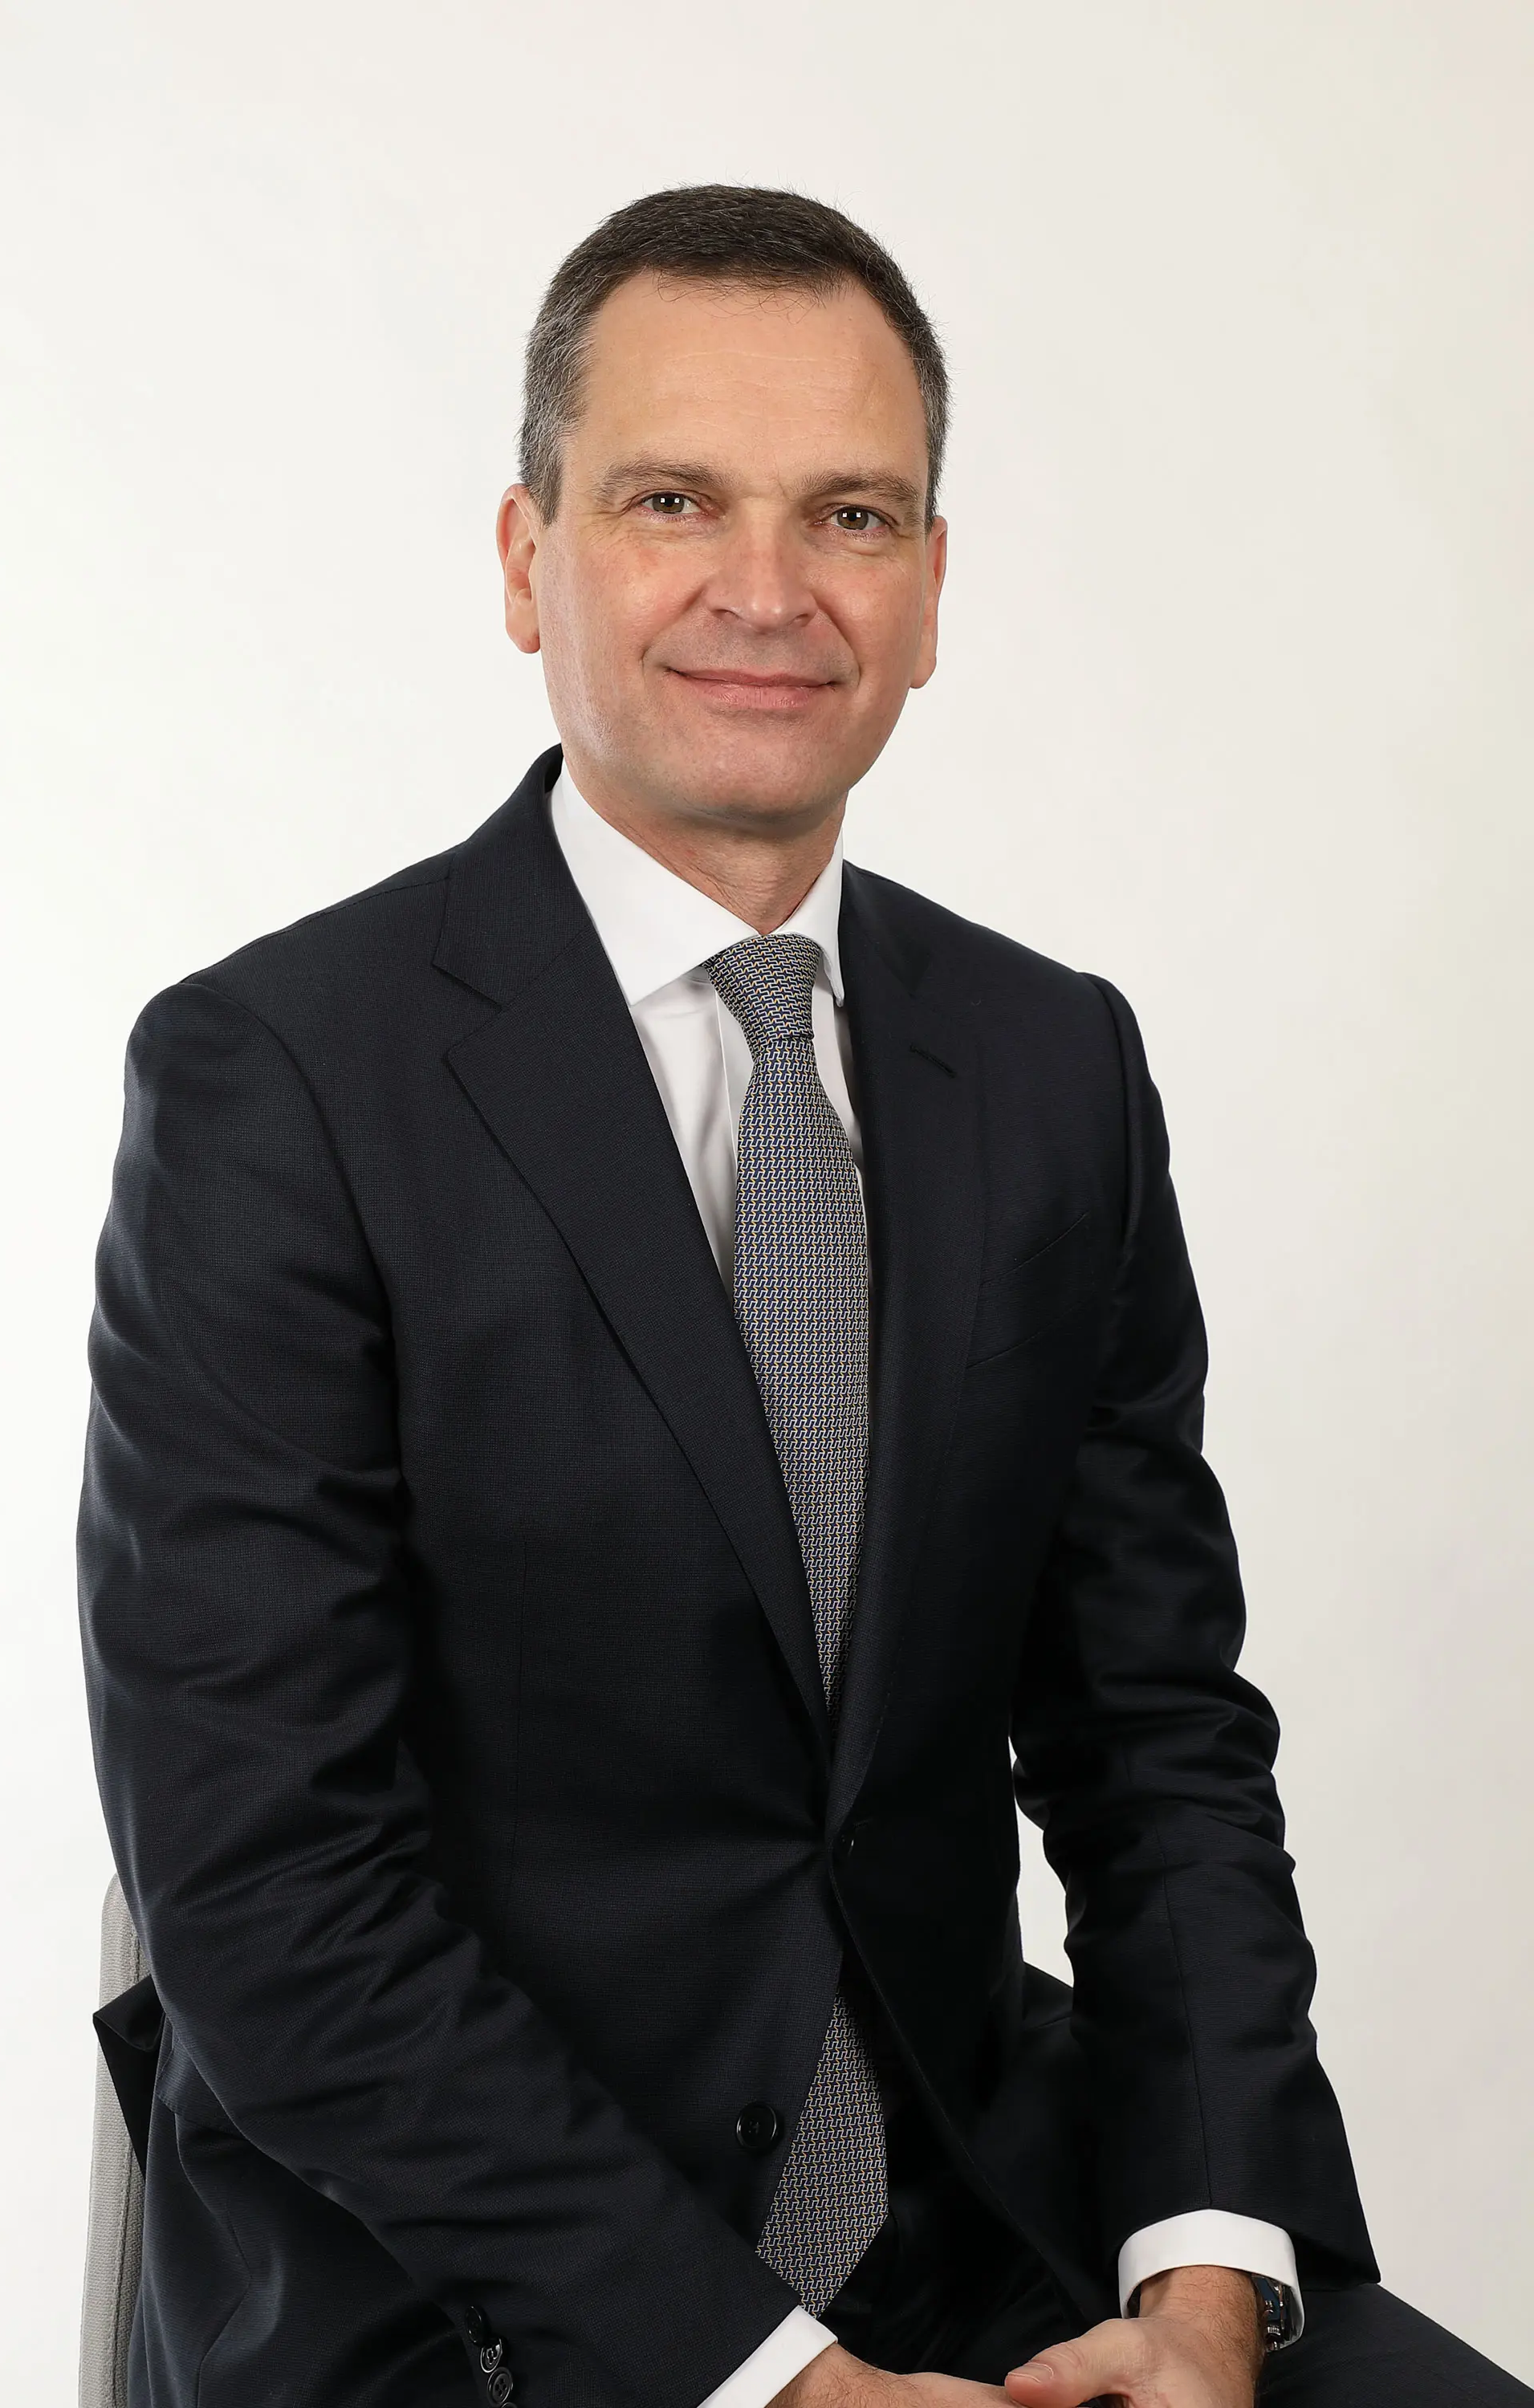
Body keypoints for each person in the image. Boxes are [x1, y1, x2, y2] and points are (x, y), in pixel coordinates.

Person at [78, 185, 1529, 2408]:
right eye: (674, 498)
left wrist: (1204, 2277)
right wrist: (774, 2380)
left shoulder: (1052, 1063)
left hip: (973, 2201)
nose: (768, 590)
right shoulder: (278, 1078)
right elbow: (270, 1893)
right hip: (464, 2274)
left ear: (931, 587)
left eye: (850, 514)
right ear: (525, 558)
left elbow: (1154, 1739)